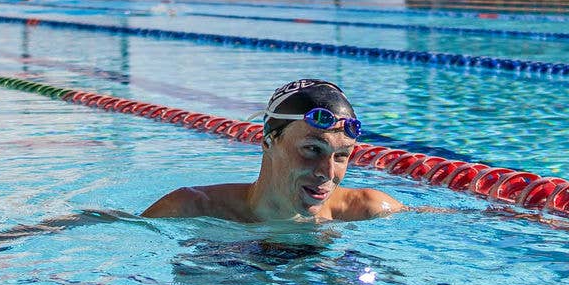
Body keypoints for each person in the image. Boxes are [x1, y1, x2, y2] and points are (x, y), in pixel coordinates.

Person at [141, 79, 403, 224]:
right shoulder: (192, 207)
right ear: (267, 141)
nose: (328, 172)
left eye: (341, 156)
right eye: (312, 149)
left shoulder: (367, 210)